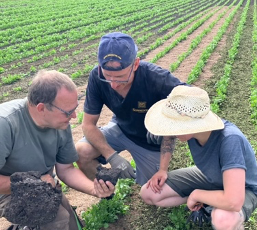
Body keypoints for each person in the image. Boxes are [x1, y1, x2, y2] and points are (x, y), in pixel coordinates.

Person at [0, 70, 115, 230]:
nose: (73, 116)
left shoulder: (59, 123)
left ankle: (41, 225)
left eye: (74, 109)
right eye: (67, 111)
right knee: (57, 220)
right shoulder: (3, 124)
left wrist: (95, 190)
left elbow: (65, 170)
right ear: (42, 107)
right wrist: (34, 182)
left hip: (44, 186)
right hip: (3, 192)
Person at [140, 85, 257, 230]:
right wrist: (163, 169)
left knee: (224, 219)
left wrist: (196, 194)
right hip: (212, 177)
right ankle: (209, 203)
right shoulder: (191, 132)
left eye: (175, 124)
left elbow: (234, 200)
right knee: (149, 193)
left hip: (243, 189)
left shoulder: (229, 139)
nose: (171, 129)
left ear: (192, 123)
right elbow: (169, 135)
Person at [75, 32, 186, 186]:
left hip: (148, 141)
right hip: (120, 128)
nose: (113, 84)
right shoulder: (96, 75)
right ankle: (107, 193)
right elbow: (88, 125)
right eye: (107, 75)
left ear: (135, 64)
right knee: (81, 152)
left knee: (155, 193)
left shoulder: (156, 78)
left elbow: (192, 98)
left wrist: (163, 123)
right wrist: (112, 156)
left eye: (120, 77)